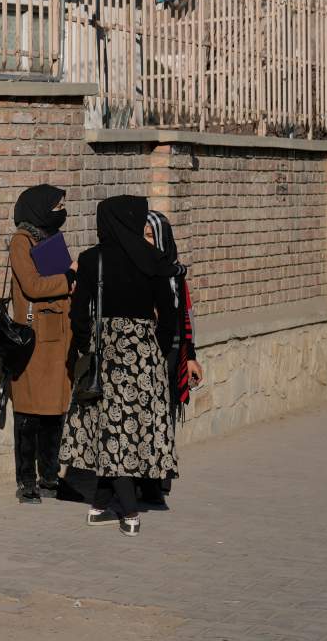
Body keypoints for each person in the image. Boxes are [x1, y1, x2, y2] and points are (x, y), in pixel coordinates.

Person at [60, 195, 178, 537]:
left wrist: (88, 346)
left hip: (107, 354)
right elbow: (169, 315)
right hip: (144, 356)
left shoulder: (91, 259)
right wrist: (154, 349)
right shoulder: (153, 258)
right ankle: (103, 506)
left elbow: (78, 315)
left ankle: (126, 511)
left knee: (112, 427)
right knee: (127, 427)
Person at [7, 185, 76, 504]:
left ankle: (50, 478)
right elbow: (33, 286)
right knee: (29, 413)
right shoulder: (22, 241)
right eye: (56, 206)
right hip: (34, 340)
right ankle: (26, 482)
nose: (61, 212)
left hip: (59, 338)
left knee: (54, 412)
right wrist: (68, 278)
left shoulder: (50, 238)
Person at [139, 209, 203, 506]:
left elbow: (185, 317)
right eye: (142, 236)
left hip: (172, 353)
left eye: (150, 236)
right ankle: (143, 477)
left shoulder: (176, 273)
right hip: (142, 352)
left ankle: (159, 478)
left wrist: (190, 357)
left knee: (164, 415)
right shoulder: (135, 270)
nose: (146, 242)